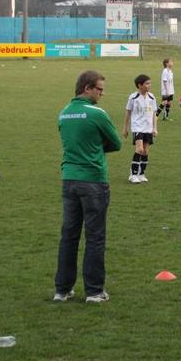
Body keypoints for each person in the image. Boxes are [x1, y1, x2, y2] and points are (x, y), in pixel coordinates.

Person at [54, 70, 122, 303]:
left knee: (69, 236)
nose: (102, 93)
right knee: (95, 237)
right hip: (93, 179)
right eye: (99, 89)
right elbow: (116, 143)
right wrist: (95, 147)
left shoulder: (63, 114)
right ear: (87, 88)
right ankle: (94, 291)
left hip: (69, 179)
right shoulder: (97, 114)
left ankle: (62, 290)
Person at [124, 74, 158, 184]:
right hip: (137, 127)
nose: (149, 85)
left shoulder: (152, 97)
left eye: (150, 83)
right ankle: (133, 174)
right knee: (139, 149)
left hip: (148, 128)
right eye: (147, 83)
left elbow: (154, 114)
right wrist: (125, 128)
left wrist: (155, 128)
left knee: (146, 151)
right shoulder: (133, 97)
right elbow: (128, 112)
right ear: (140, 85)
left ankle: (141, 173)